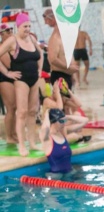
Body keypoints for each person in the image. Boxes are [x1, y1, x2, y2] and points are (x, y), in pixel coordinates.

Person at [0, 13, 44, 156]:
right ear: (18, 26)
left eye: (29, 26)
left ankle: (31, 143)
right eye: (25, 26)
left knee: (32, 112)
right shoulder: (13, 40)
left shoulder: (31, 38)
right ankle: (21, 145)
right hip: (21, 80)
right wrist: (7, 73)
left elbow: (41, 53)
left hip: (34, 79)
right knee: (22, 112)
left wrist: (39, 69)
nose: (28, 29)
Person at [39, 108, 88, 179]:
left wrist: (67, 117)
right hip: (56, 177)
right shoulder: (47, 138)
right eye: (62, 121)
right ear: (53, 122)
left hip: (70, 172)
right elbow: (45, 128)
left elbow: (85, 121)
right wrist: (46, 114)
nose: (64, 123)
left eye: (65, 120)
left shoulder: (62, 132)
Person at [42, 79, 90, 143]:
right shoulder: (47, 100)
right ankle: (77, 137)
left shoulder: (62, 99)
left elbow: (79, 104)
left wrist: (68, 91)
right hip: (51, 130)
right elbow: (59, 107)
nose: (61, 97)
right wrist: (57, 92)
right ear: (54, 91)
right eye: (60, 94)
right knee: (74, 136)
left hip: (61, 126)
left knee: (78, 115)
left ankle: (72, 136)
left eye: (62, 95)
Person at [43, 8, 79, 90]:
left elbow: (65, 55)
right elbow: (53, 59)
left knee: (66, 101)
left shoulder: (63, 38)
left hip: (66, 75)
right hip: (59, 76)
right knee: (68, 102)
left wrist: (72, 74)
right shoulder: (55, 38)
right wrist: (69, 68)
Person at [0, 23, 20, 144]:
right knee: (11, 107)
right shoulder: (2, 47)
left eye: (11, 30)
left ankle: (14, 133)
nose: (11, 32)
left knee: (16, 107)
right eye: (8, 31)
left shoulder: (12, 45)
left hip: (13, 76)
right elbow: (9, 65)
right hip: (4, 78)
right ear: (1, 34)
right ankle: (9, 136)